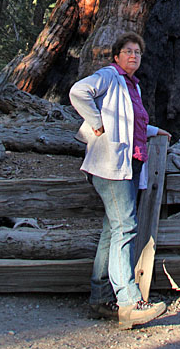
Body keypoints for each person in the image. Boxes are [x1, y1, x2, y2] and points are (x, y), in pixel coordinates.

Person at [69, 31, 171, 330]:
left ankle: (100, 298)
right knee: (126, 227)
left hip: (128, 164)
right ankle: (129, 302)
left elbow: (131, 123)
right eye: (128, 51)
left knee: (112, 230)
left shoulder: (132, 86)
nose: (133, 56)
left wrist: (154, 131)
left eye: (138, 52)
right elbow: (78, 92)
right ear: (116, 56)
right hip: (110, 165)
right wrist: (96, 122)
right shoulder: (108, 76)